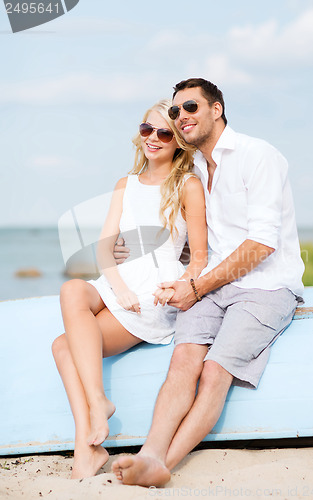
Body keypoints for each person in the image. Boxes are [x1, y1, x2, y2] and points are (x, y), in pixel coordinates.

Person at [111, 78, 305, 487]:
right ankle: (150, 453)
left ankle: (165, 463)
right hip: (213, 284)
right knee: (182, 363)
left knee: (214, 371)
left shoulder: (258, 155)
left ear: (216, 110)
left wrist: (197, 287)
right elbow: (194, 241)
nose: (182, 117)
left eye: (191, 108)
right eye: (177, 111)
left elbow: (261, 244)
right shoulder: (193, 168)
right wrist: (165, 277)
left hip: (266, 286)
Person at [51, 99, 208, 480]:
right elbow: (106, 246)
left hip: (152, 296)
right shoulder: (126, 183)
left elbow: (199, 259)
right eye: (146, 129)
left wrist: (181, 287)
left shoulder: (186, 185)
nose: (153, 138)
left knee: (61, 346)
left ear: (177, 141)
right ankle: (98, 403)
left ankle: (85, 447)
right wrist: (118, 289)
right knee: (72, 289)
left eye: (163, 133)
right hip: (119, 285)